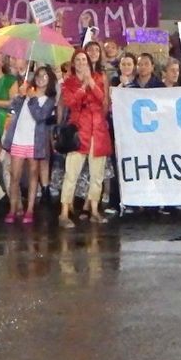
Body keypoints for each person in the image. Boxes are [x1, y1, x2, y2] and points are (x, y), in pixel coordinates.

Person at [58, 50, 112, 227]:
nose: (81, 63)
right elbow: (70, 102)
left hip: (98, 130)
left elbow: (103, 100)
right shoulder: (69, 82)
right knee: (71, 174)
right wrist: (83, 88)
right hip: (79, 130)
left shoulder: (98, 77)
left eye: (84, 60)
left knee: (97, 174)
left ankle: (94, 209)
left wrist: (92, 84)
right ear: (73, 64)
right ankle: (64, 212)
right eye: (78, 60)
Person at [2, 66, 56, 224]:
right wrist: (20, 95)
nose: (41, 78)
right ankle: (13, 209)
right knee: (14, 176)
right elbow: (13, 108)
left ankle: (30, 209)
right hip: (18, 139)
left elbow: (40, 116)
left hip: (34, 143)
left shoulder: (49, 99)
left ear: (50, 80)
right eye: (39, 75)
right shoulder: (27, 92)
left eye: (45, 76)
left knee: (33, 176)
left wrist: (32, 99)